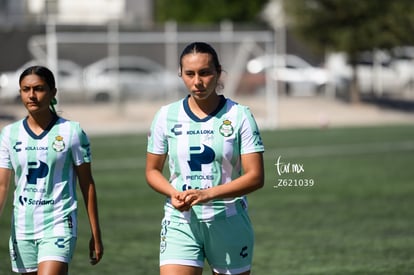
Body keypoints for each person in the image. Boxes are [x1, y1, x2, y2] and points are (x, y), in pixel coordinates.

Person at [146, 42, 265, 275]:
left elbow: (256, 177)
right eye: (189, 74)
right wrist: (173, 193)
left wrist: (207, 194)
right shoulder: (165, 116)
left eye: (205, 73)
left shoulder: (239, 115)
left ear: (218, 72)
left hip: (228, 220)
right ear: (181, 74)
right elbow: (152, 171)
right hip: (181, 221)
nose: (197, 82)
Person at [0, 65, 104, 274]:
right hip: (22, 227)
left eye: (38, 89)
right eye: (25, 89)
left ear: (52, 92)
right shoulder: (9, 134)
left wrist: (96, 233)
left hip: (58, 223)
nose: (32, 95)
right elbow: (2, 185)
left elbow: (87, 183)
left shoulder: (72, 132)